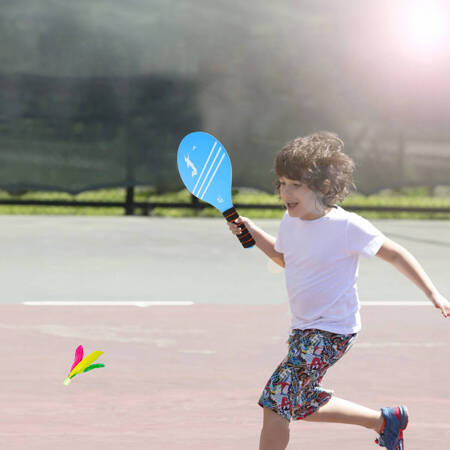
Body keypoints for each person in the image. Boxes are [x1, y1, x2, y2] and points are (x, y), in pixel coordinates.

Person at [227, 132, 449, 450]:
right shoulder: (292, 220)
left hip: (332, 331)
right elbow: (283, 258)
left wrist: (433, 293)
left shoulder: (347, 227)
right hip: (303, 331)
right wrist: (251, 231)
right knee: (298, 402)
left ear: (324, 187)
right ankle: (385, 421)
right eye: (282, 183)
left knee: (275, 401)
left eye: (295, 184)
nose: (285, 192)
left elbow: (396, 253)